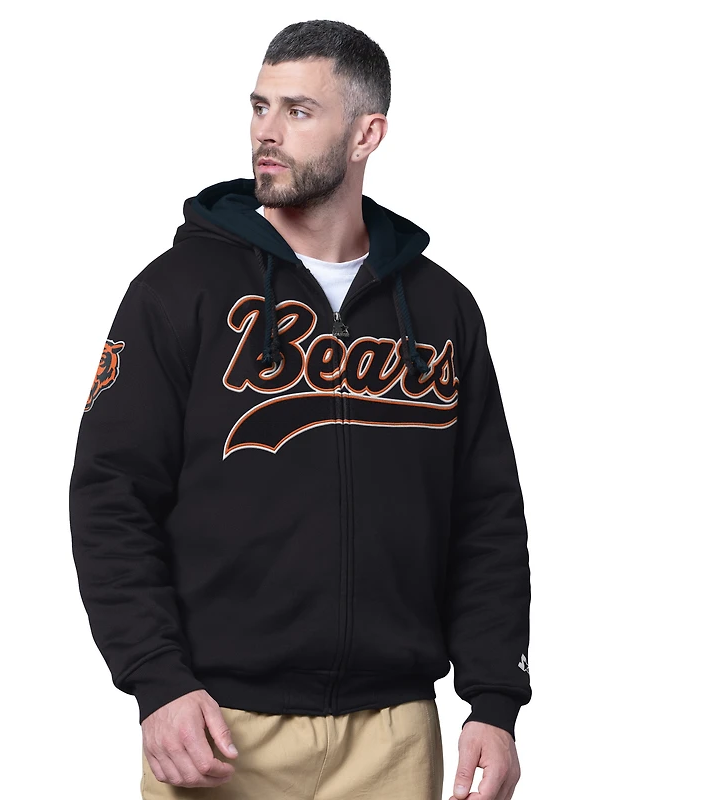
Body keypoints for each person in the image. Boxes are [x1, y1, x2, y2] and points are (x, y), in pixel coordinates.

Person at [69, 18, 531, 800]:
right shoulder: (178, 291)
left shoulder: (441, 308)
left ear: (366, 134)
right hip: (216, 726)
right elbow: (111, 496)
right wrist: (156, 678)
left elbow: (486, 513)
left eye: (298, 111)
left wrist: (494, 700)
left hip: (394, 733)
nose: (267, 132)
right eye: (259, 107)